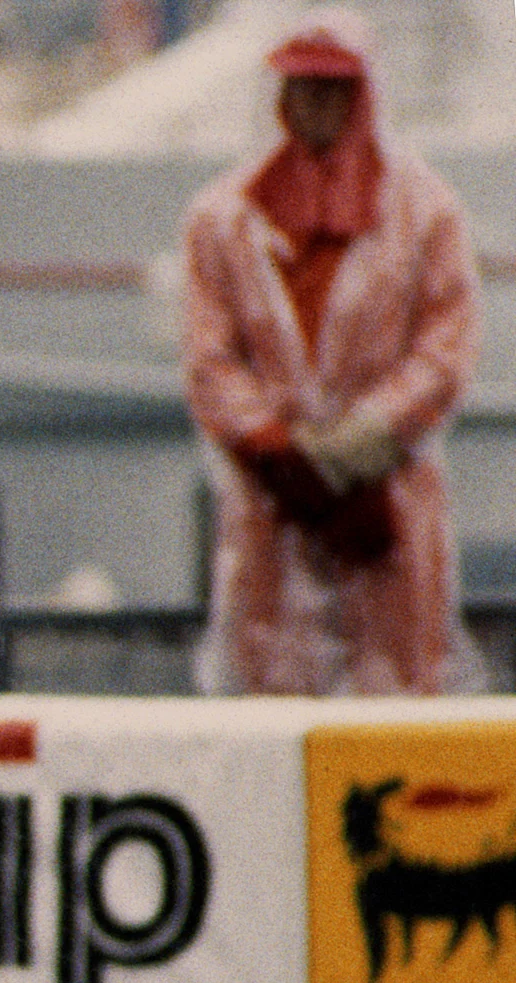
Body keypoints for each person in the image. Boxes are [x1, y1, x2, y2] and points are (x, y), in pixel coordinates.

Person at [180, 9, 481, 694]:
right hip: (271, 497)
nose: (316, 102)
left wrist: (362, 444)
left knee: (396, 689)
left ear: (362, 94)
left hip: (387, 498)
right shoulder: (222, 218)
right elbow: (210, 357)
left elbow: (445, 347)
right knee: (271, 691)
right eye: (303, 86)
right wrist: (277, 451)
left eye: (334, 87)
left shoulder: (426, 211)